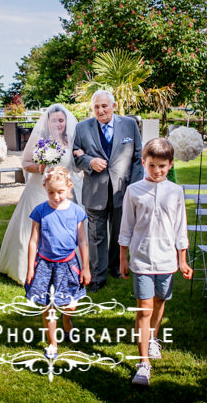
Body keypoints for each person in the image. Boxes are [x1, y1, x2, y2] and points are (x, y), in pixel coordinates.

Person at [118, 138, 193, 386]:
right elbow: (126, 226)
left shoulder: (175, 192)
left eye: (162, 166)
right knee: (144, 308)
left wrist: (182, 260)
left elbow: (181, 228)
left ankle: (152, 339)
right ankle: (143, 363)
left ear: (170, 165)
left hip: (166, 261)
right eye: (152, 165)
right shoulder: (134, 190)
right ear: (143, 163)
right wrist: (123, 259)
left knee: (159, 302)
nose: (157, 171)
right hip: (141, 259)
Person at [0, 104, 82, 284]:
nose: (58, 124)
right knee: (34, 228)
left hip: (63, 192)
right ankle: (27, 268)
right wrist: (41, 167)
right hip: (39, 189)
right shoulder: (38, 138)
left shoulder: (70, 141)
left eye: (61, 120)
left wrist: (80, 154)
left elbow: (74, 165)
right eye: (54, 120)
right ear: (48, 122)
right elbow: (26, 162)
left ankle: (65, 265)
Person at [73, 90, 144, 292]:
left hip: (123, 189)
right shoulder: (82, 127)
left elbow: (138, 157)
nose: (100, 110)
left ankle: (115, 266)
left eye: (104, 106)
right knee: (96, 235)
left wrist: (135, 187)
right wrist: (89, 161)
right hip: (95, 190)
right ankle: (97, 276)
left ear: (113, 106)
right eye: (96, 107)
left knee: (119, 232)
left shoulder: (129, 125)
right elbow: (76, 156)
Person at [25, 166, 91, 360]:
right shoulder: (40, 211)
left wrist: (85, 268)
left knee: (69, 306)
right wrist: (30, 268)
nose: (56, 196)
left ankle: (67, 320)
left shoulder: (77, 212)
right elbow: (33, 241)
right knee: (49, 306)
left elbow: (82, 241)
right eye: (51, 192)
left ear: (69, 188)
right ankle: (52, 342)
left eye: (60, 192)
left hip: (68, 265)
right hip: (45, 265)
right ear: (45, 187)